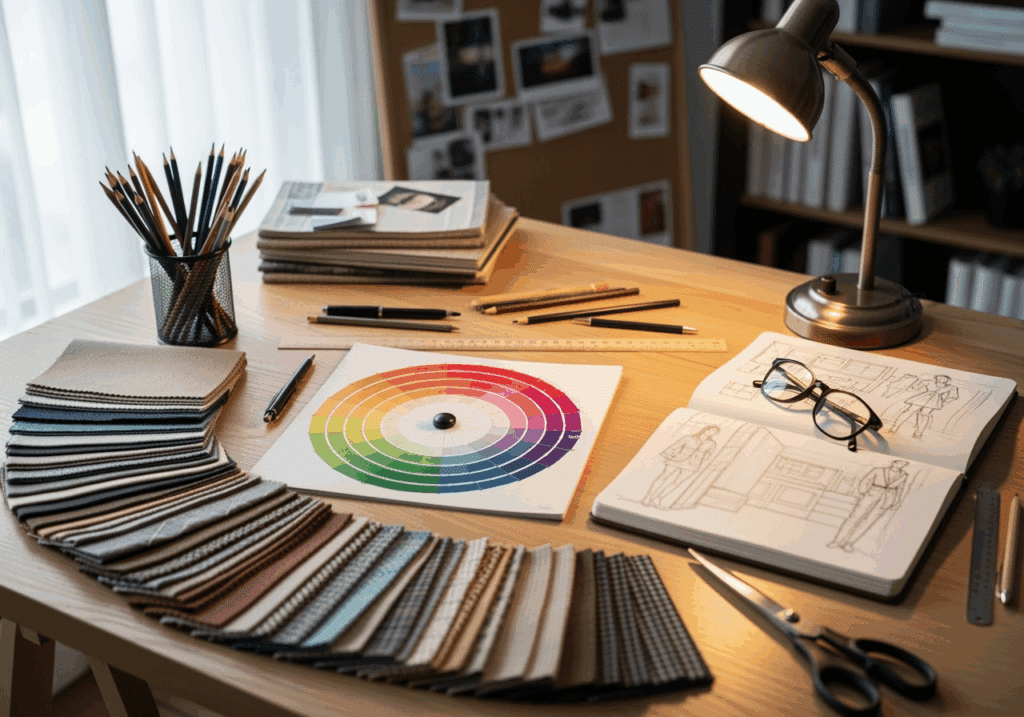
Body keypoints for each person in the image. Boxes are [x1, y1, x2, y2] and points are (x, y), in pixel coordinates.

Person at [828, 460, 910, 553]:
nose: (899, 465)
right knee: (855, 516)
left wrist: (896, 501)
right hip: (872, 493)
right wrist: (863, 492)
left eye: (903, 464)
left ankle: (849, 543)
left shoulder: (904, 475)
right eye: (898, 463)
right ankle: (837, 541)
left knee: (869, 521)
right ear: (893, 463)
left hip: (887, 498)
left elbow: (900, 489)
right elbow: (865, 480)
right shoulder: (878, 470)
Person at [642, 425, 719, 509]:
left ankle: (657, 499)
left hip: (693, 464)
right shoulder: (688, 438)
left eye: (715, 432)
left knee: (677, 483)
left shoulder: (711, 444)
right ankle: (648, 497)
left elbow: (707, 455)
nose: (712, 432)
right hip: (678, 460)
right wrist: (668, 455)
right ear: (705, 429)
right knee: (663, 477)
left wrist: (700, 460)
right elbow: (675, 446)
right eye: (711, 430)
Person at [888, 375, 959, 440]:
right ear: (936, 378)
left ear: (947, 380)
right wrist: (920, 386)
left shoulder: (951, 387)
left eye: (944, 378)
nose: (941, 379)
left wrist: (942, 401)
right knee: (910, 410)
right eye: (939, 377)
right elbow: (915, 386)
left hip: (934, 401)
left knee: (924, 414)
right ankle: (895, 427)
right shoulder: (929, 382)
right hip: (922, 398)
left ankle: (918, 433)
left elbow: (953, 397)